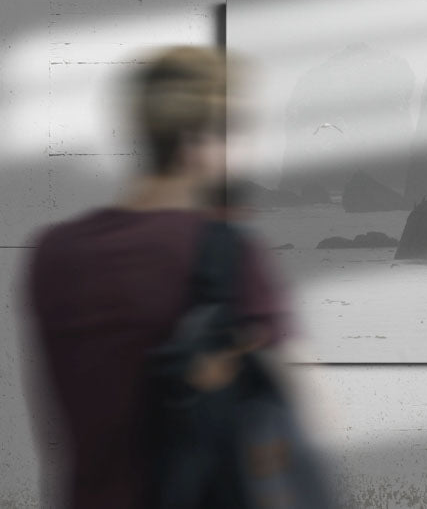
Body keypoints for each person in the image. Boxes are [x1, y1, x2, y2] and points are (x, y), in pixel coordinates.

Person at [20, 46, 292, 508]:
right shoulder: (224, 253)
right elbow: (286, 439)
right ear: (193, 141)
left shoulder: (53, 253)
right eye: (237, 131)